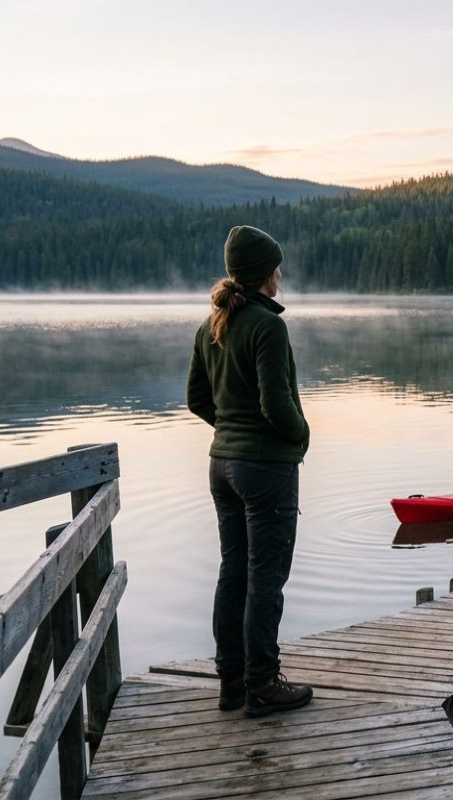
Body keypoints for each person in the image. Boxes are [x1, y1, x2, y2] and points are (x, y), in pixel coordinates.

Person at [186, 225, 314, 717]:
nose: (281, 274)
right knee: (266, 578)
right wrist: (299, 435)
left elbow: (196, 399)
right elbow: (275, 402)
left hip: (222, 467)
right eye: (277, 267)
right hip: (265, 470)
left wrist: (232, 432)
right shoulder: (267, 326)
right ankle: (263, 683)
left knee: (233, 573)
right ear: (265, 275)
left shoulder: (210, 325)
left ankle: (232, 683)